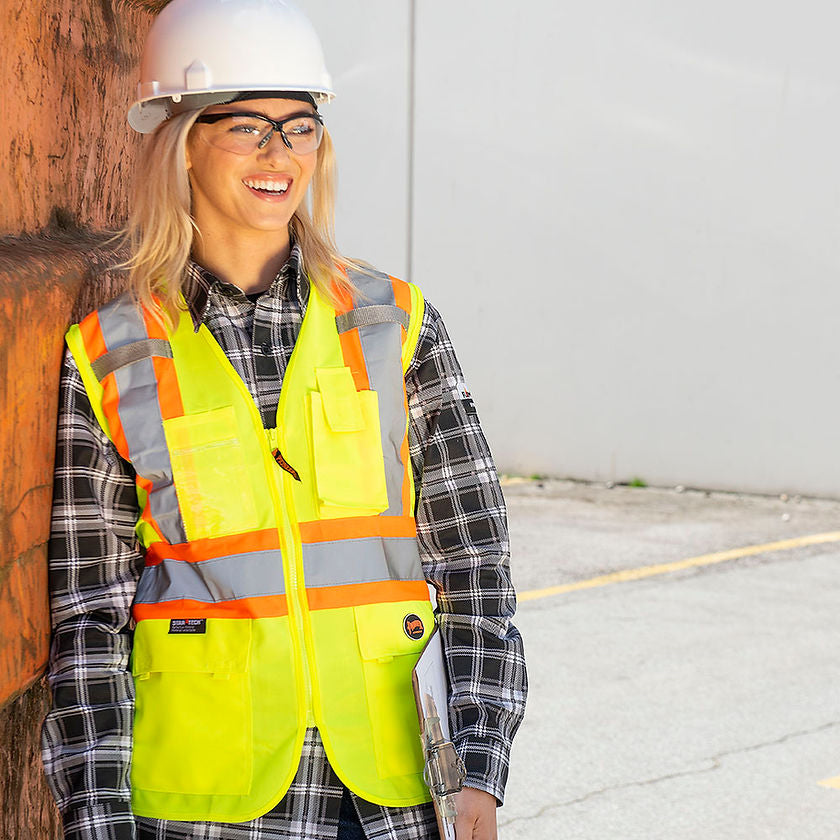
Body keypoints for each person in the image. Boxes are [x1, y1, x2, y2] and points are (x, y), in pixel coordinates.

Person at [41, 1, 527, 838]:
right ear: (182, 142)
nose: (280, 155)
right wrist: (97, 817)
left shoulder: (395, 325)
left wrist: (477, 769)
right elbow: (89, 616)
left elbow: (474, 560)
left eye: (300, 127)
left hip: (390, 792)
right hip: (202, 807)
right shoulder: (111, 355)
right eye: (248, 127)